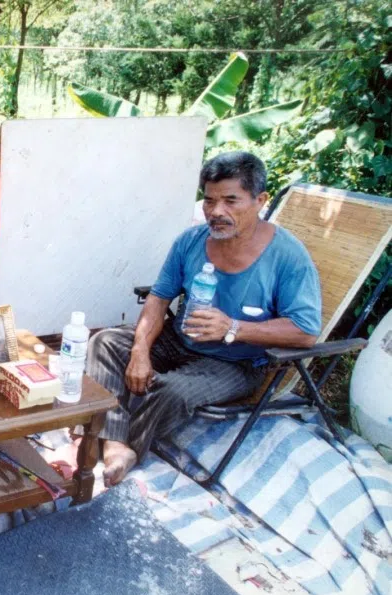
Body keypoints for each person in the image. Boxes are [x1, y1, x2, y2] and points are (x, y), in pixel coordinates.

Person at [87, 152, 322, 487]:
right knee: (105, 342)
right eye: (210, 201)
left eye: (230, 201)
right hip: (178, 341)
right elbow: (158, 298)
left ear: (260, 201)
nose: (217, 212)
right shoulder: (190, 242)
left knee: (172, 390)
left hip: (235, 362)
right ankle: (112, 442)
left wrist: (234, 327)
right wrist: (140, 351)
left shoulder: (287, 256)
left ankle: (128, 448)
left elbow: (306, 331)